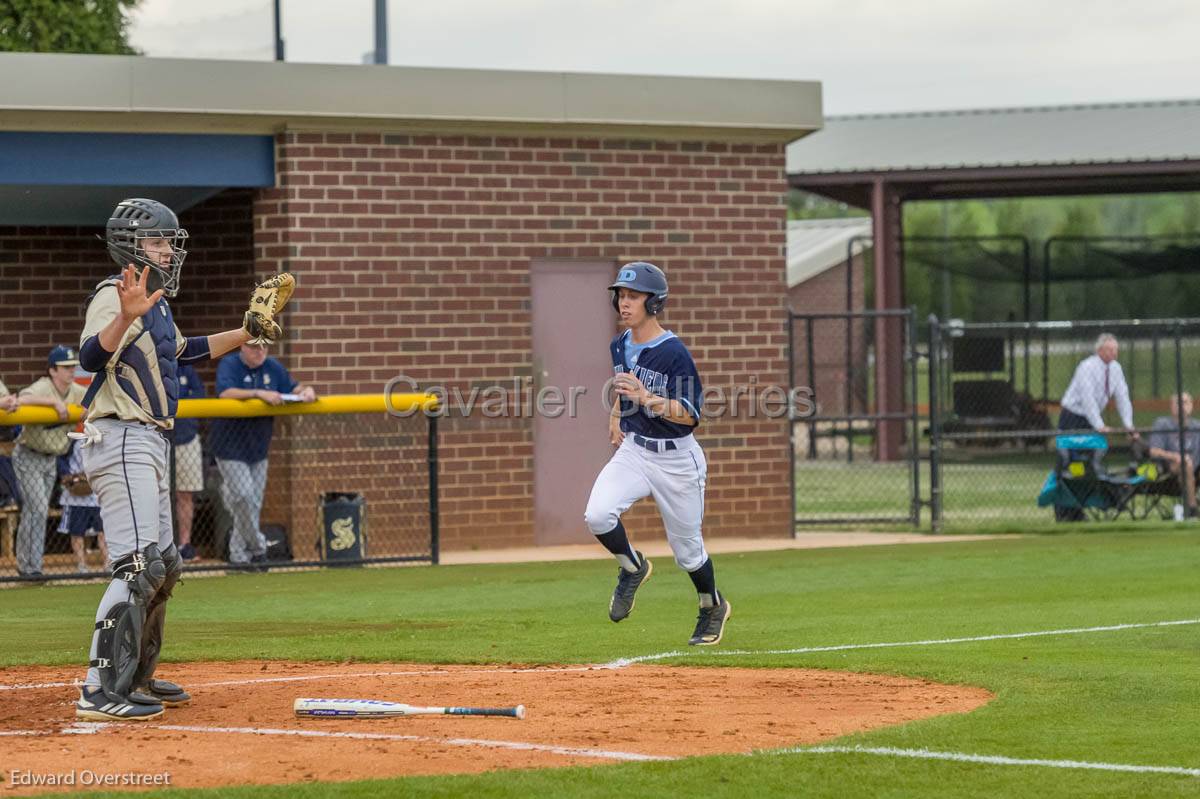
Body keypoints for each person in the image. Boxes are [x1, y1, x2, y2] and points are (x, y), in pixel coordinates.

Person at [73, 197, 292, 722]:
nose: (169, 250)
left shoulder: (156, 303)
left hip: (149, 440)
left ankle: (135, 676)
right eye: (158, 241)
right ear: (130, 245)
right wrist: (124, 314)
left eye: (171, 241)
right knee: (137, 565)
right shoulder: (114, 295)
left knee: (164, 566)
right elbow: (88, 357)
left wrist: (247, 331)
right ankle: (99, 689)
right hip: (121, 435)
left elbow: (184, 350)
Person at [583, 262, 730, 646]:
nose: (624, 303)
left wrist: (646, 399)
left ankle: (711, 605)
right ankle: (633, 568)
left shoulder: (674, 353)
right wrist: (618, 410)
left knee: (688, 551)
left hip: (677, 459)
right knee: (598, 514)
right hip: (635, 451)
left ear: (655, 302)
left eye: (634, 296)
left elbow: (690, 415)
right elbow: (625, 384)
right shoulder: (620, 343)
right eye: (621, 296)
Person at [210, 342, 316, 569]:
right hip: (229, 446)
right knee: (243, 496)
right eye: (254, 348)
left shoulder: (272, 367)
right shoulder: (230, 364)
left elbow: (292, 387)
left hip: (258, 448)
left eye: (264, 348)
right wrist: (259, 393)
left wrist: (305, 391)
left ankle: (239, 557)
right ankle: (258, 547)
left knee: (253, 503)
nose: (260, 352)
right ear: (243, 347)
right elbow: (225, 393)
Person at [13, 346, 87, 579]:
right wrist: (51, 403)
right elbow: (21, 398)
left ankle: (30, 565)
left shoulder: (75, 390)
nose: (70, 371)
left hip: (51, 459)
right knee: (37, 508)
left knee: (37, 511)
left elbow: (92, 402)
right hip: (29, 454)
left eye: (72, 366)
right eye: (65, 368)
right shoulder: (44, 386)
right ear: (52, 371)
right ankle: (30, 568)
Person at [1058, 333, 1137, 438]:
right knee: (1072, 449)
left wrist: (1129, 425)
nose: (1114, 352)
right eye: (1109, 349)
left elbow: (1123, 398)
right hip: (1073, 415)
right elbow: (1087, 398)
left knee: (1096, 449)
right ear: (1099, 350)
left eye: (1115, 349)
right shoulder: (1087, 367)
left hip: (1093, 416)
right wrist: (1099, 426)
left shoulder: (1116, 368)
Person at [58, 439, 109, 573]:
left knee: (103, 530)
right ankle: (81, 565)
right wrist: (67, 476)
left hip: (98, 493)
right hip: (75, 495)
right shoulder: (72, 437)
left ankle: (108, 563)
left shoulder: (103, 435)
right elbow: (61, 457)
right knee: (76, 531)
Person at [1147, 392, 1200, 516]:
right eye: (1178, 403)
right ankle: (1192, 510)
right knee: (1186, 464)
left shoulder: (1197, 426)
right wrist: (1176, 457)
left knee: (1189, 464)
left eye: (1185, 402)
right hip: (1169, 470)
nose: (1182, 406)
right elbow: (1153, 451)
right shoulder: (1162, 424)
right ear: (1171, 406)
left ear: (1191, 406)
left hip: (1196, 470)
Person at [173, 364, 206, 561]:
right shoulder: (152, 365)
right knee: (157, 496)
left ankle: (184, 544)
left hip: (187, 438)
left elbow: (199, 396)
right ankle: (159, 545)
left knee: (185, 494)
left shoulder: (187, 370)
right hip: (159, 440)